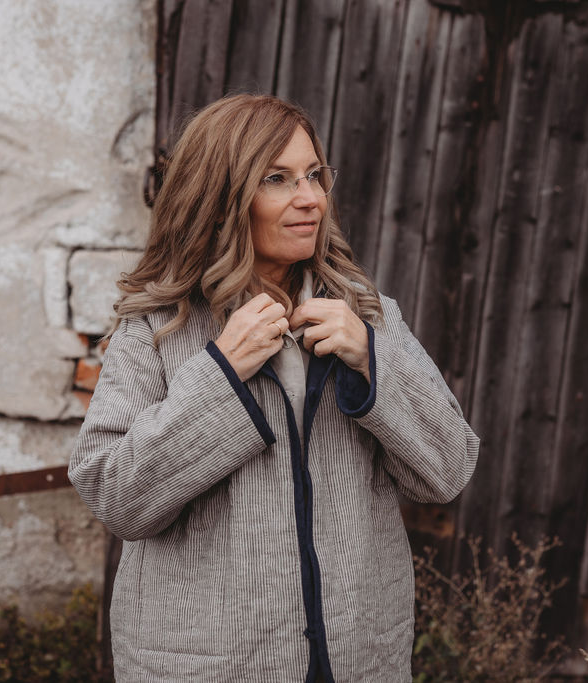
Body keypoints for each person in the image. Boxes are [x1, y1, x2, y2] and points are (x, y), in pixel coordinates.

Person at [68, 94, 479, 682]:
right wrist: (219, 374)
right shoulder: (157, 329)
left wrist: (372, 358)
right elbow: (114, 497)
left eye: (314, 175)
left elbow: (448, 470)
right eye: (277, 179)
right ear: (221, 197)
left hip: (354, 661)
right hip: (209, 668)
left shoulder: (367, 316)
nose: (310, 198)